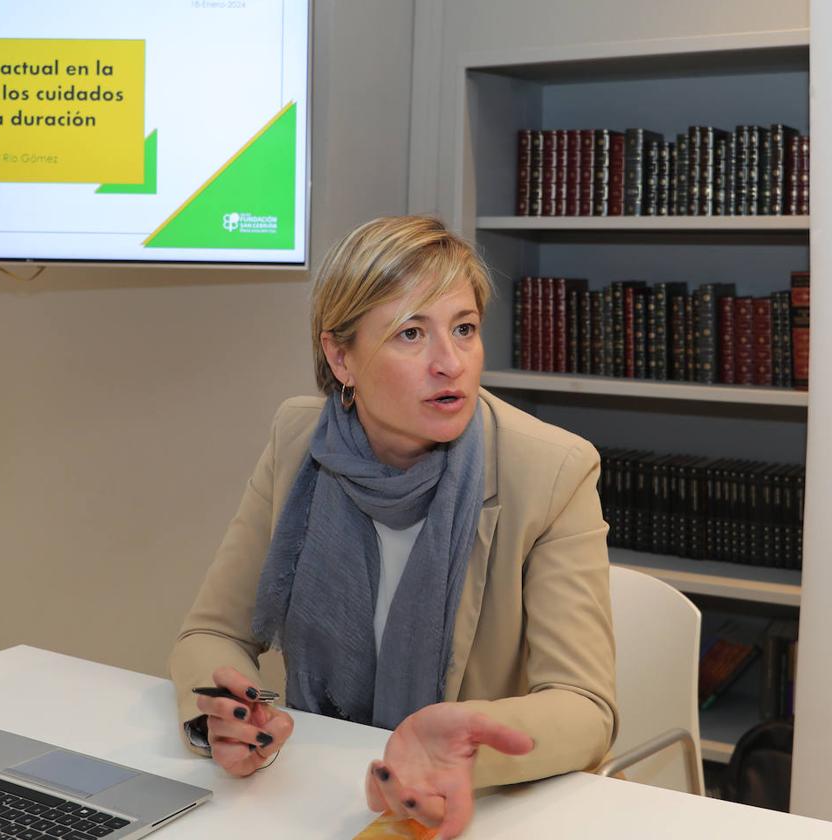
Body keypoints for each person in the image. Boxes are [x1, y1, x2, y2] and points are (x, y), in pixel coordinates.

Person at [168, 215, 617, 838]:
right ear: (340, 356)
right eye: (412, 333)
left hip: (490, 808)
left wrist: (465, 744)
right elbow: (212, 633)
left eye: (464, 330)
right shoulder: (300, 440)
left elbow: (584, 705)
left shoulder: (552, 470)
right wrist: (226, 714)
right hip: (325, 792)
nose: (450, 363)